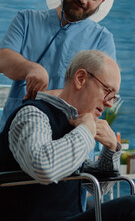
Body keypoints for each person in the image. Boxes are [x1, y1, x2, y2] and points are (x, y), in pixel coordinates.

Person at [1, 50, 135, 221]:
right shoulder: (33, 114)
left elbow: (94, 187)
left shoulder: (72, 124)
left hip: (69, 216)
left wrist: (111, 150)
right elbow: (44, 167)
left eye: (113, 97)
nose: (109, 103)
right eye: (107, 90)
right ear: (80, 78)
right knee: (130, 207)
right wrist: (86, 130)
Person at [0, 0, 116, 132]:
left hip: (69, 138)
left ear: (102, 1)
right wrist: (31, 68)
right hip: (17, 132)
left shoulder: (102, 39)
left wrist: (44, 97)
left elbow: (102, 94)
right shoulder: (27, 19)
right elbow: (3, 59)